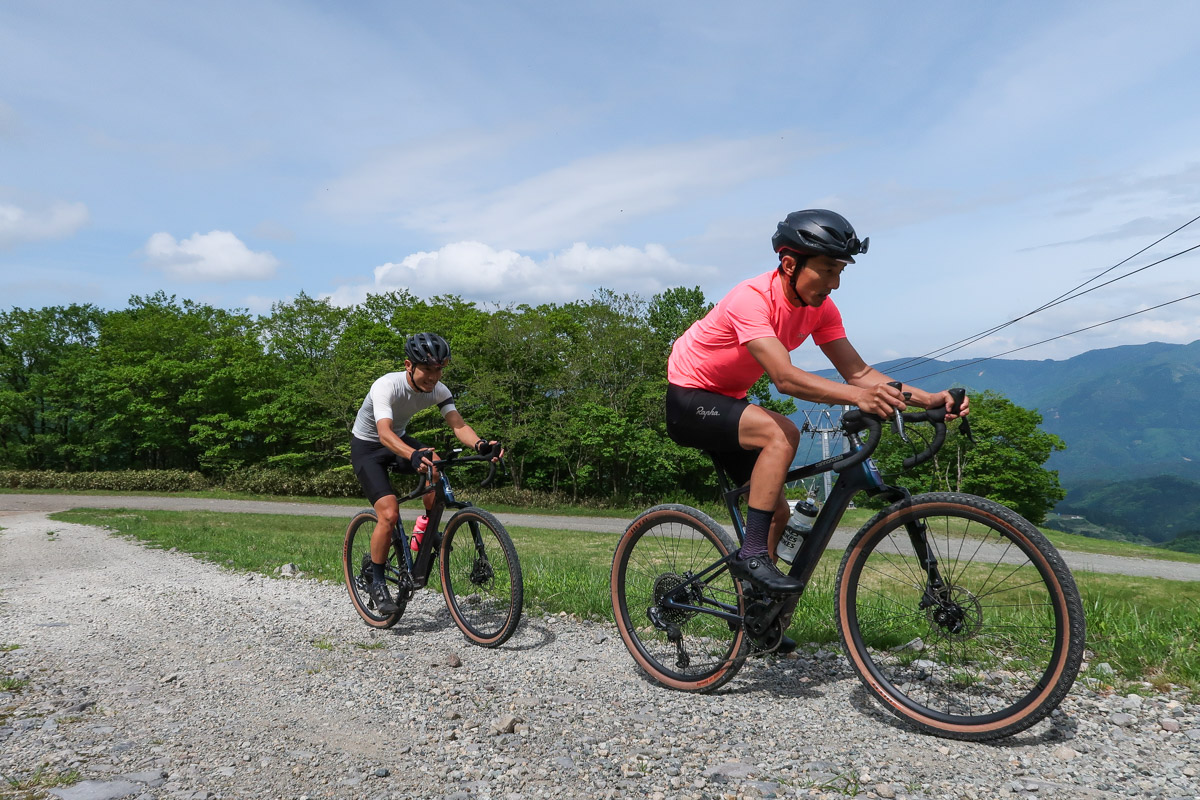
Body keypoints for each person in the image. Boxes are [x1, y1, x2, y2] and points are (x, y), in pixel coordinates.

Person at [666, 209, 968, 601]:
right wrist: (860, 398)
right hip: (689, 398)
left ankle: (756, 612)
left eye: (841, 271)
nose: (835, 283)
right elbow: (785, 378)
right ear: (790, 264)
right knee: (782, 432)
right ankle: (753, 555)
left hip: (730, 403)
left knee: (778, 515)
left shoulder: (820, 309)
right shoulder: (751, 300)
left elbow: (858, 372)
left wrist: (930, 399)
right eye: (827, 270)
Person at [350, 332, 502, 615]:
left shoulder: (439, 390)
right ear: (409, 365)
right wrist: (412, 454)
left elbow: (458, 424)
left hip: (399, 440)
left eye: (439, 369)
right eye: (428, 370)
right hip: (369, 448)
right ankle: (378, 582)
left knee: (436, 466)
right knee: (389, 513)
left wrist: (481, 444)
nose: (434, 377)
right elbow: (383, 432)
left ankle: (429, 528)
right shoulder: (386, 386)